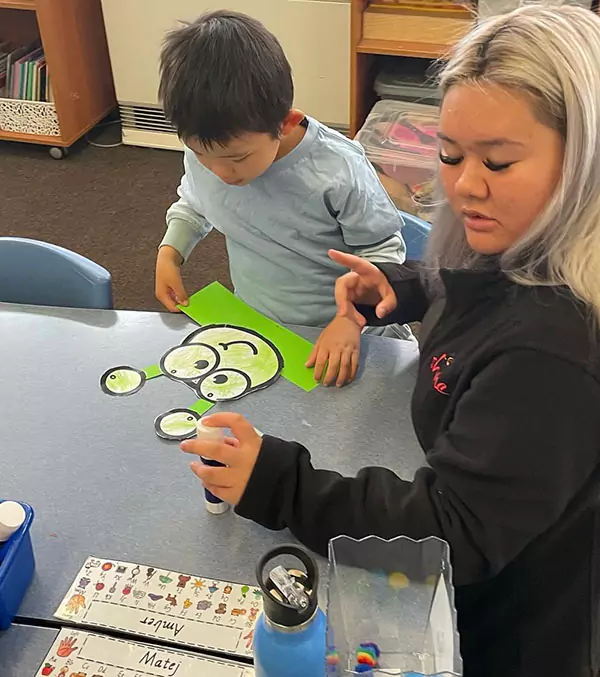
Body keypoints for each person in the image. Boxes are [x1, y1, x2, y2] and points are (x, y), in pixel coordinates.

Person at [179, 5, 600, 675]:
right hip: (485, 538)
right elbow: (477, 286)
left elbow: (453, 531)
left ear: (583, 161)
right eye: (450, 154)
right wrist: (403, 287)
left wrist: (279, 482)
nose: (463, 186)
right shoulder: (525, 238)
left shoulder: (553, 353)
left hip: (506, 624)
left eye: (496, 160)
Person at [155, 10, 413, 388]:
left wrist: (352, 318)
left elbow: (382, 253)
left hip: (350, 335)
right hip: (264, 328)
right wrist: (170, 253)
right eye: (201, 155)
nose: (221, 173)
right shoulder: (208, 153)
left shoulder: (337, 171)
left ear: (287, 123)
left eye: (237, 158)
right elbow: (195, 202)